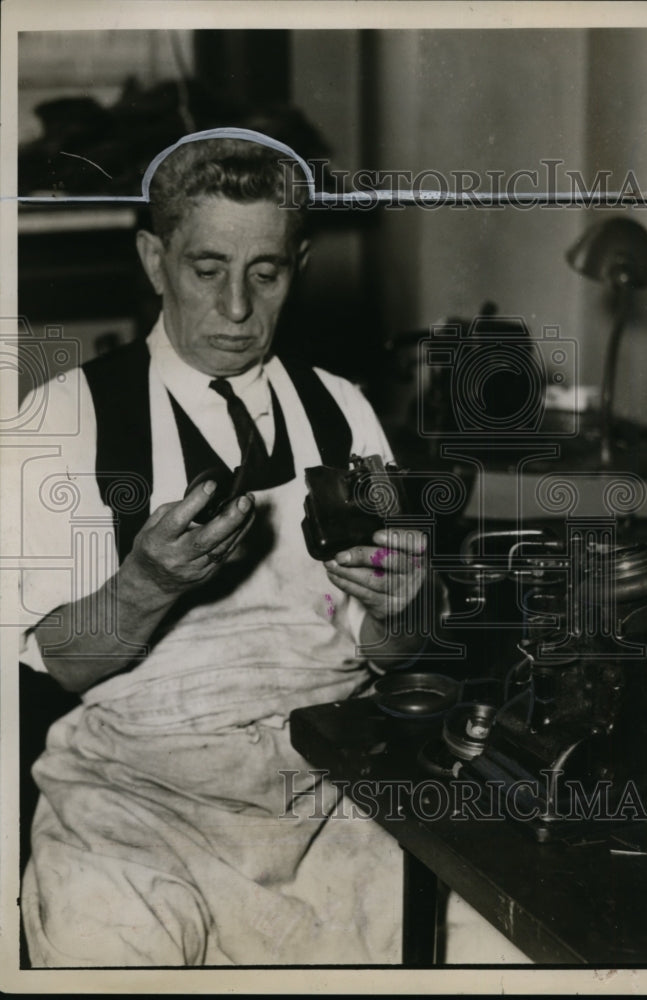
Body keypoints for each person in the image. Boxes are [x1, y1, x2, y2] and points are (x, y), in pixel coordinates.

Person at [19, 132, 430, 967]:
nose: (237, 310)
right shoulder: (65, 417)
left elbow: (397, 646)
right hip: (136, 798)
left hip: (324, 788)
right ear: (153, 258)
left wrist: (407, 603)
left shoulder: (345, 411)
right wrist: (145, 587)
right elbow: (55, 664)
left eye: (266, 274)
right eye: (208, 271)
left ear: (299, 264)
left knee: (463, 942)